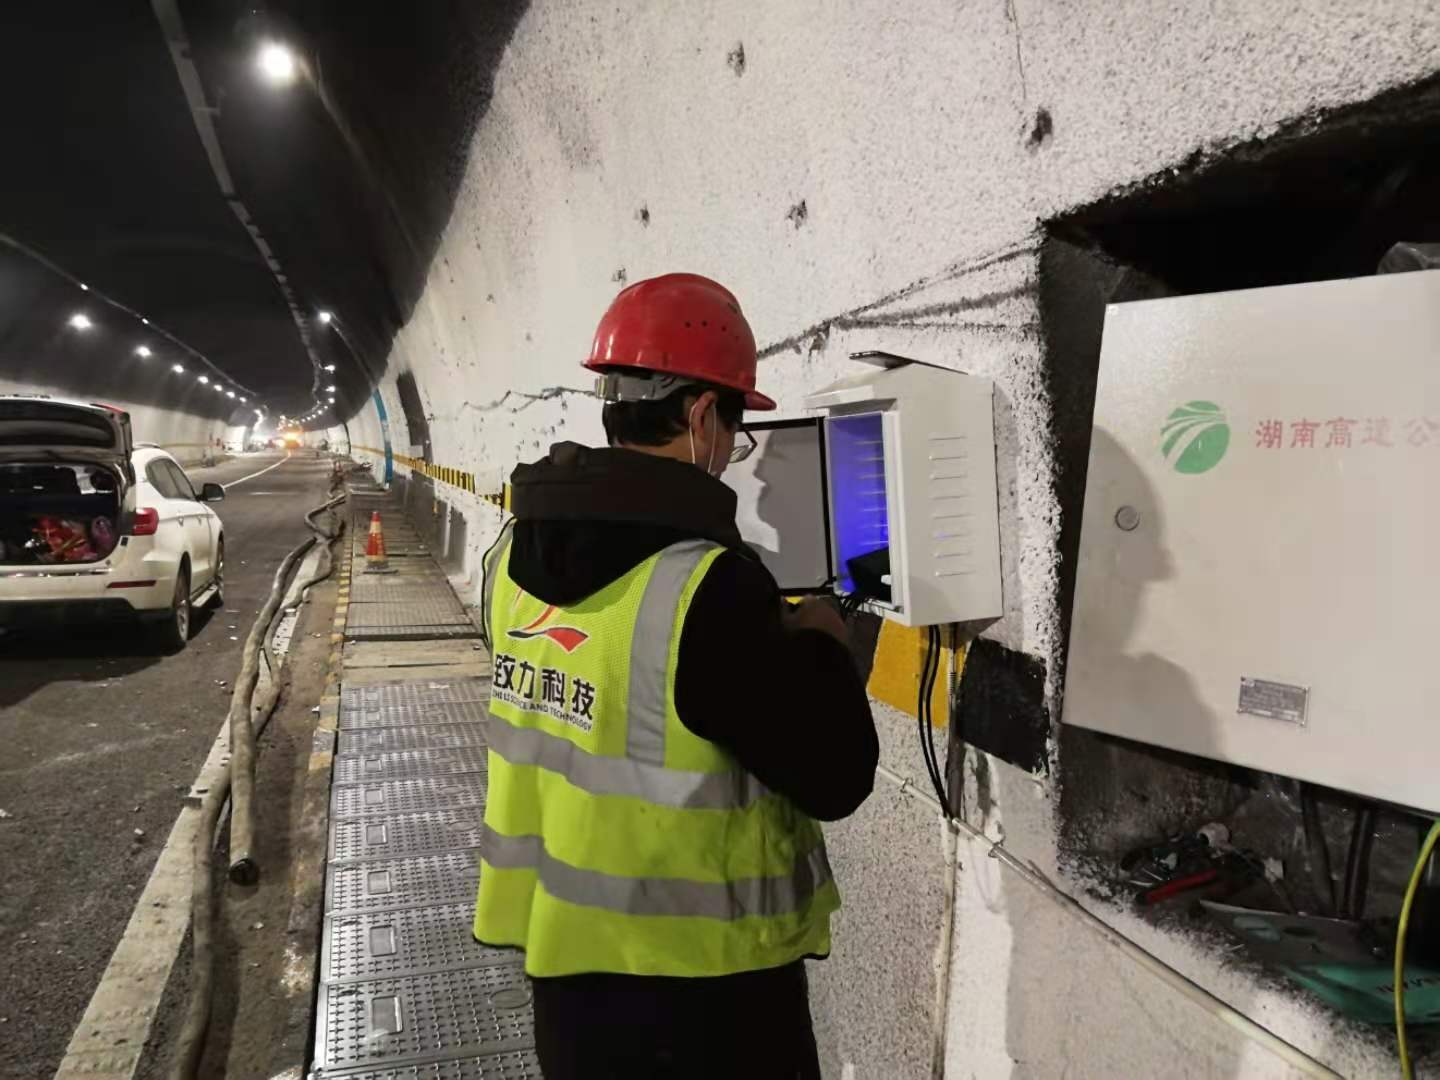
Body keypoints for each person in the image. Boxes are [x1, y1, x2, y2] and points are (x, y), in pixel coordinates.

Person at [473, 272, 878, 1079]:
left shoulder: (508, 556)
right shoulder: (711, 586)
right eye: (735, 427)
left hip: (571, 990)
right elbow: (836, 776)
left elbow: (626, 697)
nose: (733, 453)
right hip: (708, 1007)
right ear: (700, 415)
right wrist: (824, 645)